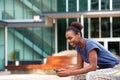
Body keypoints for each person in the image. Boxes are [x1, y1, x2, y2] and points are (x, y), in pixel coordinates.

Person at [56, 22, 120, 80]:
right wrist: (65, 71)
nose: (68, 41)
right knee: (76, 76)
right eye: (67, 39)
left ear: (78, 34)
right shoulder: (78, 47)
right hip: (106, 69)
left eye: (70, 38)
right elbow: (79, 66)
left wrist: (69, 72)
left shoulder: (89, 43)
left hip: (116, 69)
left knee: (91, 75)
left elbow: (92, 67)